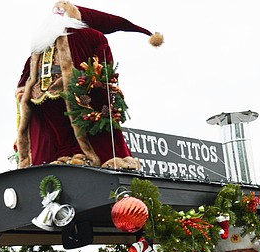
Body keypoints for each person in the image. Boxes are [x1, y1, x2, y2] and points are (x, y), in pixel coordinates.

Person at [16, 2, 162, 168]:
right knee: (59, 135)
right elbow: (27, 73)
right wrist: (23, 91)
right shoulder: (39, 48)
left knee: (86, 128)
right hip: (43, 98)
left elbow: (105, 67)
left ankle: (89, 157)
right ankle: (66, 156)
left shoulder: (90, 36)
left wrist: (96, 82)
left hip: (75, 93)